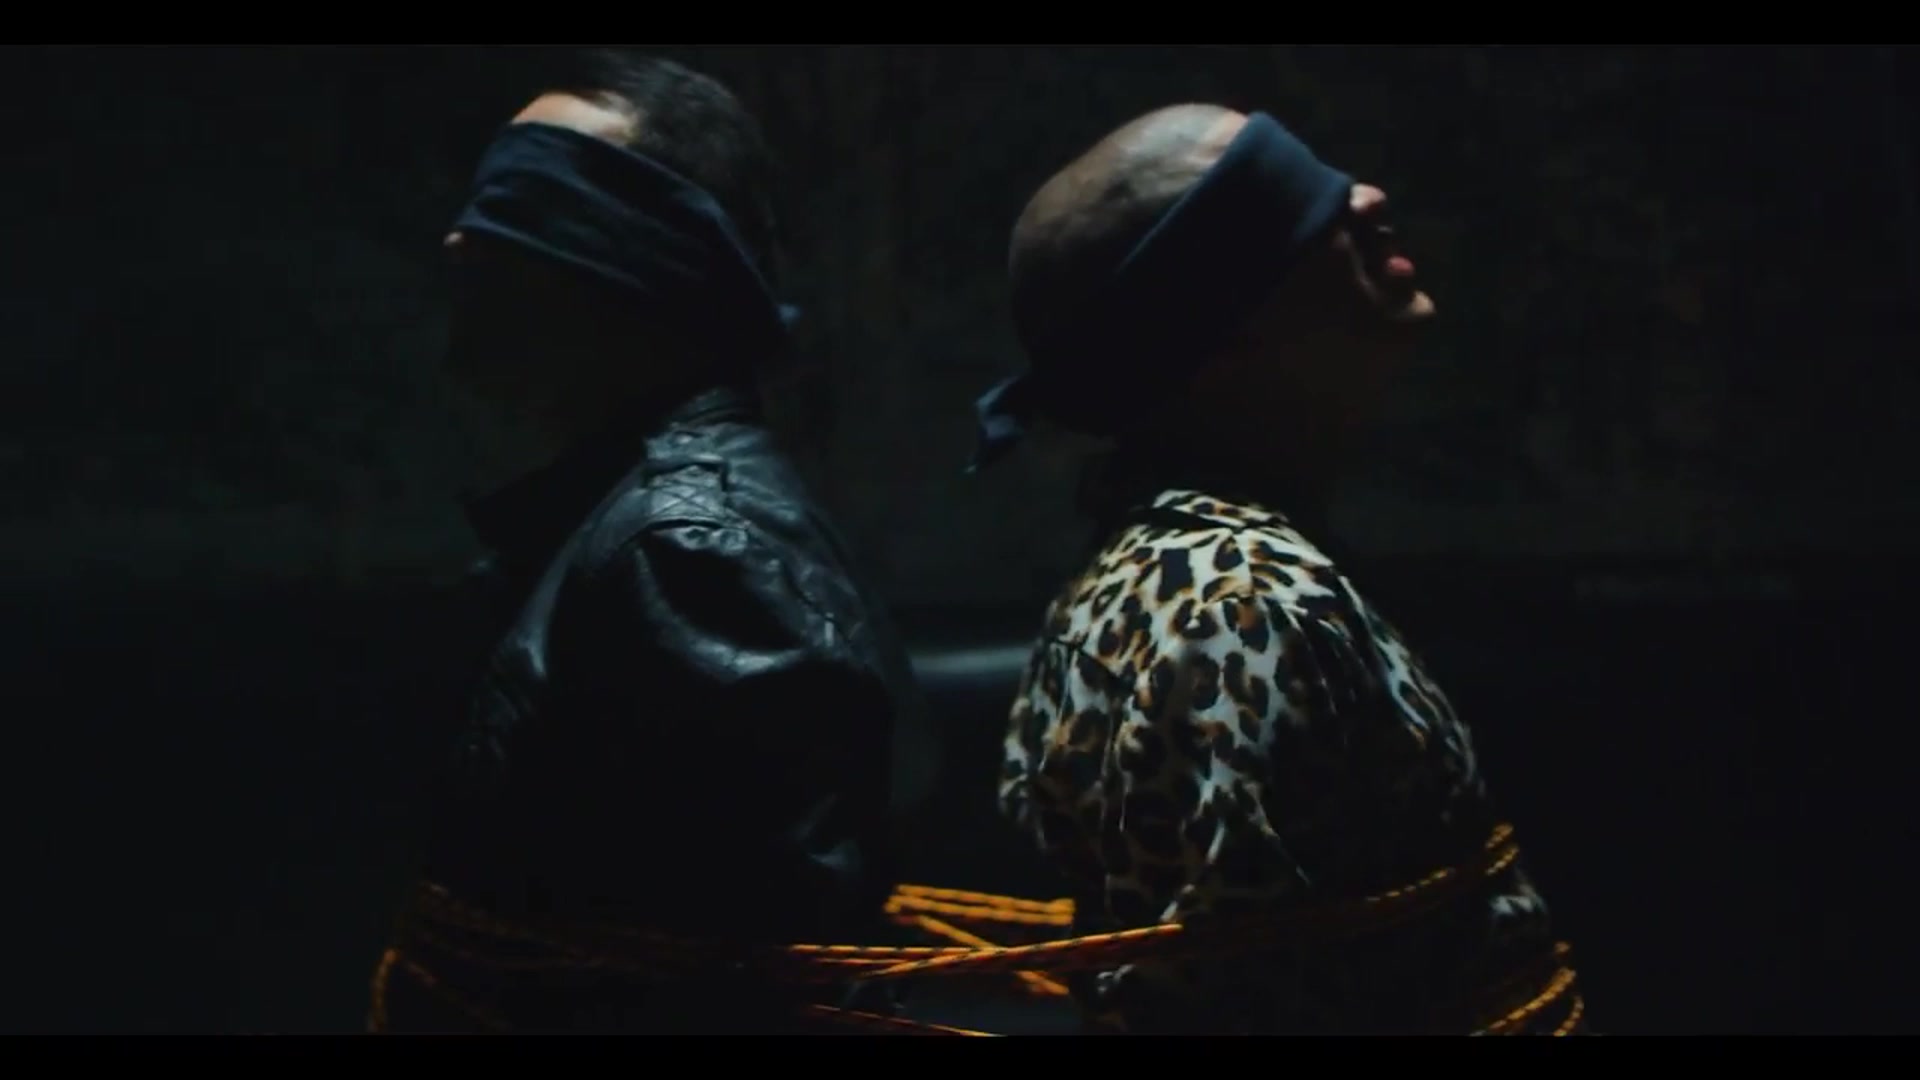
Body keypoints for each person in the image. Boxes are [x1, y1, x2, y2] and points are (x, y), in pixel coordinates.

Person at [970, 104, 1590, 1035]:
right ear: (1215, 329)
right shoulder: (1239, 603)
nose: (1365, 197)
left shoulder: (1191, 569)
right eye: (1287, 198)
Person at [370, 49, 930, 1035]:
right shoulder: (620, 529)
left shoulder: (689, 551)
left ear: (643, 255)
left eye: (526, 204)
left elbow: (776, 977)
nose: (461, 241)